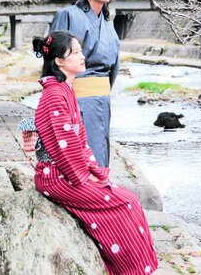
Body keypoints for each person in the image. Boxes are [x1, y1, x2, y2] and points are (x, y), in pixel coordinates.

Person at [32, 31, 158, 274]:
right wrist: (83, 175)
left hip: (65, 172)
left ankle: (135, 268)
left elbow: (78, 140)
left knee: (128, 200)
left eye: (81, 51)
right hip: (57, 177)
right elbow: (63, 145)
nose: (82, 56)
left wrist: (93, 169)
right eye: (76, 52)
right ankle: (130, 269)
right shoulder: (56, 94)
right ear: (59, 61)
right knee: (125, 204)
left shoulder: (64, 89)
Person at [49, 0, 120, 168]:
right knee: (76, 155)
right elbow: (53, 60)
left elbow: (113, 68)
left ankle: (98, 194)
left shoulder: (108, 23)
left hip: (101, 99)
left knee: (99, 151)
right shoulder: (68, 15)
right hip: (72, 98)